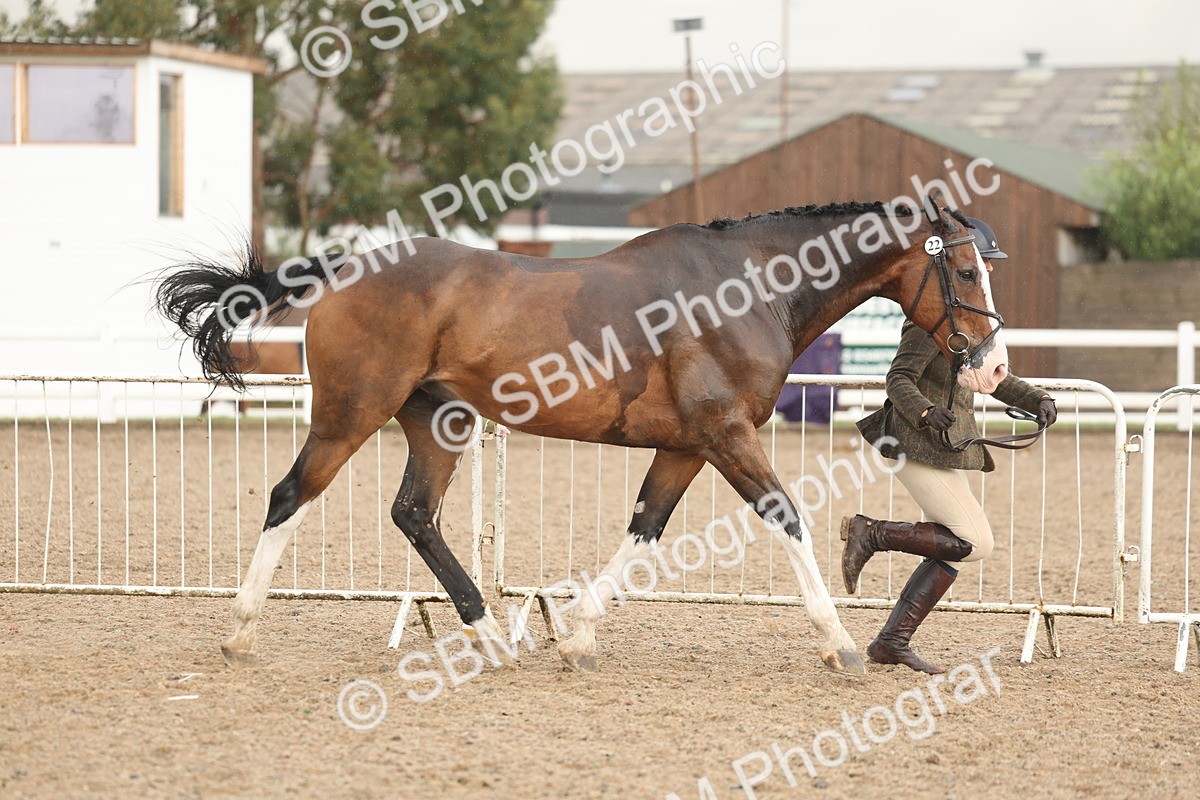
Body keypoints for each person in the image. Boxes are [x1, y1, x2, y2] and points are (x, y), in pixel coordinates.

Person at [843, 217, 1057, 674]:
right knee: (974, 541)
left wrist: (1034, 398)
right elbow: (898, 378)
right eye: (984, 263)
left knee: (955, 544)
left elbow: (992, 379)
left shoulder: (969, 319)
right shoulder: (930, 320)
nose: (990, 271)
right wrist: (923, 411)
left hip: (944, 447)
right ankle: (870, 532)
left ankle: (891, 642)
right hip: (913, 441)